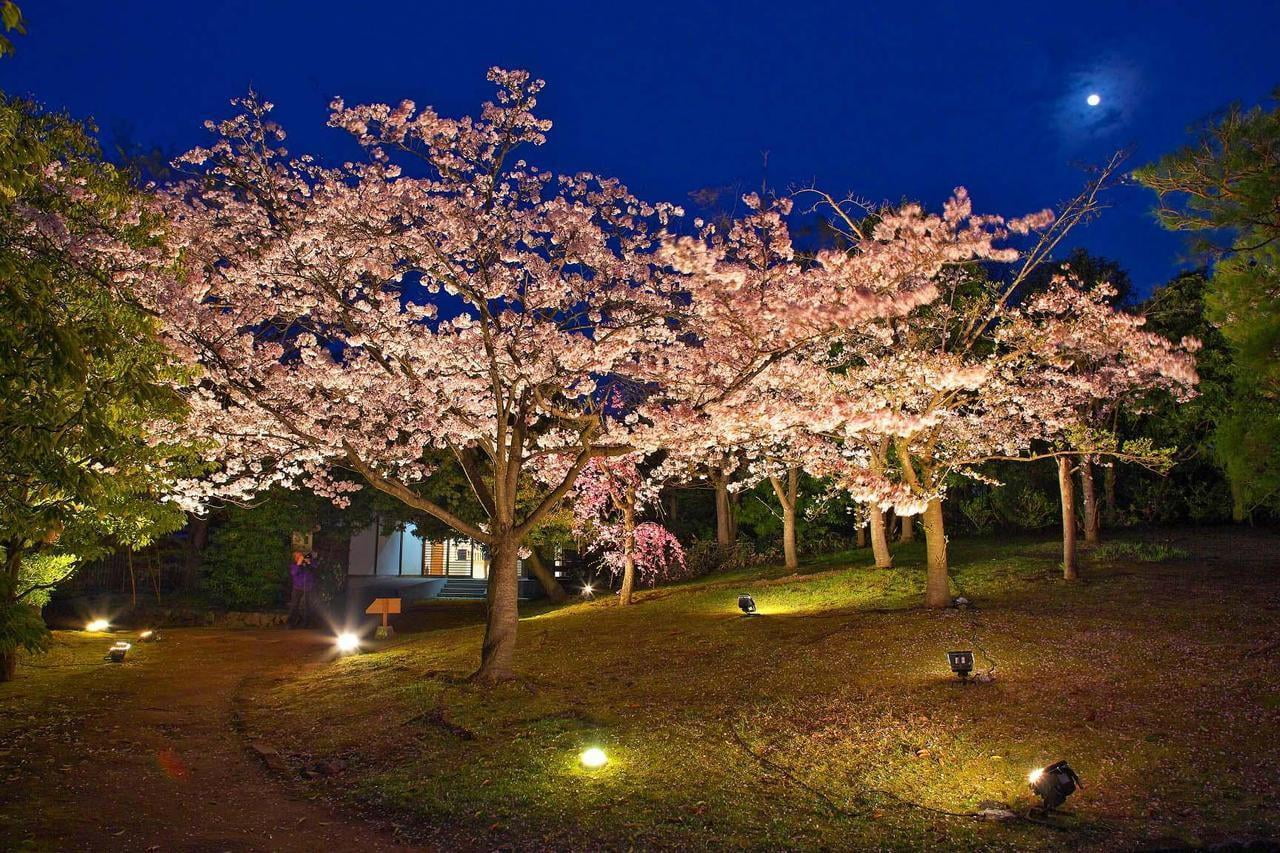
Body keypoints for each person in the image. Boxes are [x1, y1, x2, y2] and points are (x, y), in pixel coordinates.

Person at [287, 550, 315, 628]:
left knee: (308, 606)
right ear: (295, 558)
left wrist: (309, 562)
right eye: (298, 556)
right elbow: (294, 573)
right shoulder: (294, 565)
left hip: (308, 587)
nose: (301, 557)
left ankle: (307, 624)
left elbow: (315, 568)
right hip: (297, 588)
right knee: (294, 605)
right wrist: (299, 563)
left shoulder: (308, 564)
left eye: (301, 555)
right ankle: (291, 623)